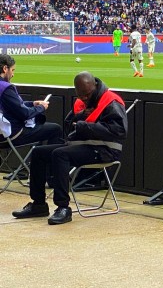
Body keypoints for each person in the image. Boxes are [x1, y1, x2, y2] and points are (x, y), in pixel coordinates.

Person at [12, 72, 126, 226]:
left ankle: (63, 207)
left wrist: (85, 126)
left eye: (87, 94)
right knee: (38, 152)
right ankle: (38, 204)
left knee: (60, 154)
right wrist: (79, 117)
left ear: (95, 86)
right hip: (81, 146)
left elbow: (119, 131)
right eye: (80, 94)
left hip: (104, 150)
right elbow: (68, 126)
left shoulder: (111, 102)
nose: (84, 98)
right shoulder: (82, 102)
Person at [0, 53, 62, 147]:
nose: (13, 74)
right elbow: (25, 114)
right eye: (12, 70)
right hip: (10, 135)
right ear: (5, 69)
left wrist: (32, 103)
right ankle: (43, 160)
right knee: (55, 129)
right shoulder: (6, 88)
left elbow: (10, 106)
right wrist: (41, 107)